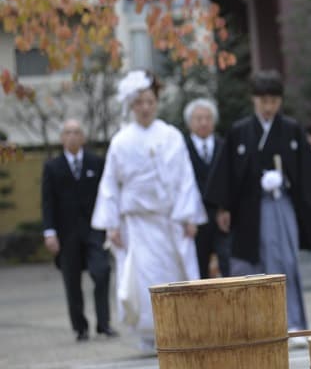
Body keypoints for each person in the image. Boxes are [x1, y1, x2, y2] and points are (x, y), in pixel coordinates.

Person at [206, 70, 311, 338]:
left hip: (280, 204)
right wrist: (223, 207)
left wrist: (284, 180)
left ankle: (292, 320)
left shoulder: (291, 129)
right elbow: (227, 172)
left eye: (273, 101)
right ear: (254, 100)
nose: (268, 107)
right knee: (248, 265)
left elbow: (305, 173)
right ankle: (254, 324)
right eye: (263, 101)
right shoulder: (240, 132)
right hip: (247, 209)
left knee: (285, 260)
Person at [91, 70, 207, 353]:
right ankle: (148, 334)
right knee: (143, 278)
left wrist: (189, 216)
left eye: (150, 101)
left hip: (169, 220)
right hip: (138, 224)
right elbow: (110, 185)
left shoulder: (172, 136)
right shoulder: (121, 141)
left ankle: (178, 330)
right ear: (132, 105)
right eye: (139, 102)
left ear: (156, 103)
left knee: (173, 274)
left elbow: (185, 179)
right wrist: (112, 225)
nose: (145, 107)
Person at [41, 119, 117, 342]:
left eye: (76, 132)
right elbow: (47, 202)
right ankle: (80, 327)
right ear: (62, 138)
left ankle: (104, 324)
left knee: (102, 271)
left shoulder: (97, 162)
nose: (73, 136)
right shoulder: (52, 167)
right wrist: (49, 232)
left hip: (95, 230)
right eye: (68, 132)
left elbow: (107, 196)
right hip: (66, 234)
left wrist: (111, 224)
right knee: (71, 281)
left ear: (83, 137)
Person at [183, 98, 231, 278]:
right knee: (198, 270)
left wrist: (226, 208)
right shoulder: (181, 149)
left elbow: (231, 180)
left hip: (221, 217)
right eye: (199, 118)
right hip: (194, 220)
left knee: (227, 265)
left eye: (208, 118)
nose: (204, 122)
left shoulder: (224, 146)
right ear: (190, 122)